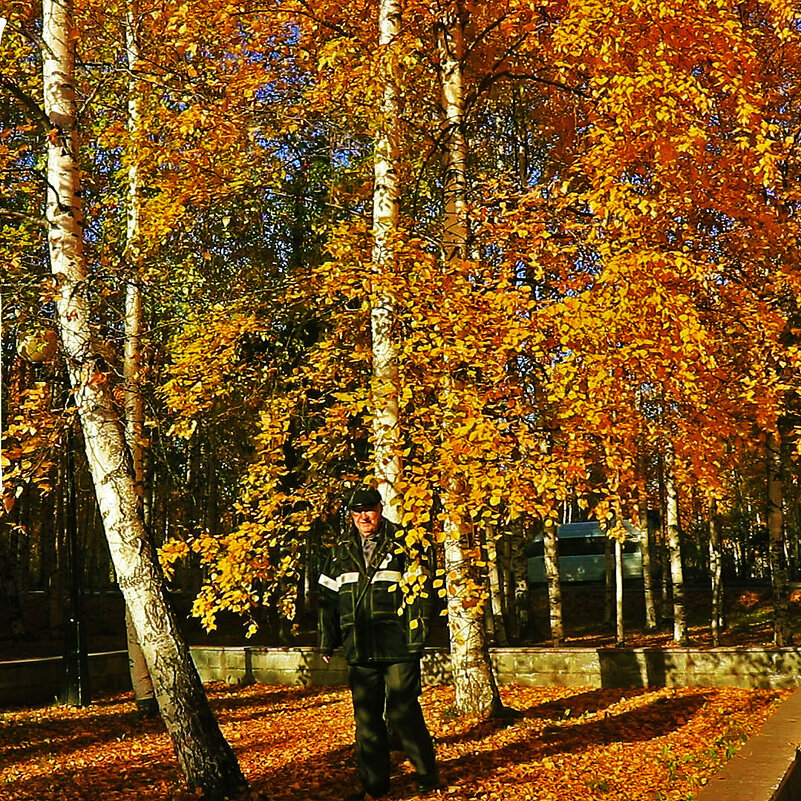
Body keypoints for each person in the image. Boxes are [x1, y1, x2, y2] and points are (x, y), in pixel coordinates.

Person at [318, 487, 441, 800]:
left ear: (380, 509)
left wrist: (417, 640)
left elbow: (422, 596)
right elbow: (328, 600)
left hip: (399, 646)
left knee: (404, 712)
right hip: (359, 648)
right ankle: (374, 785)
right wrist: (326, 643)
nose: (364, 517)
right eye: (357, 511)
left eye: (369, 510)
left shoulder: (403, 543)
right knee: (367, 720)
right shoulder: (339, 550)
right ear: (350, 515)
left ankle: (427, 775)